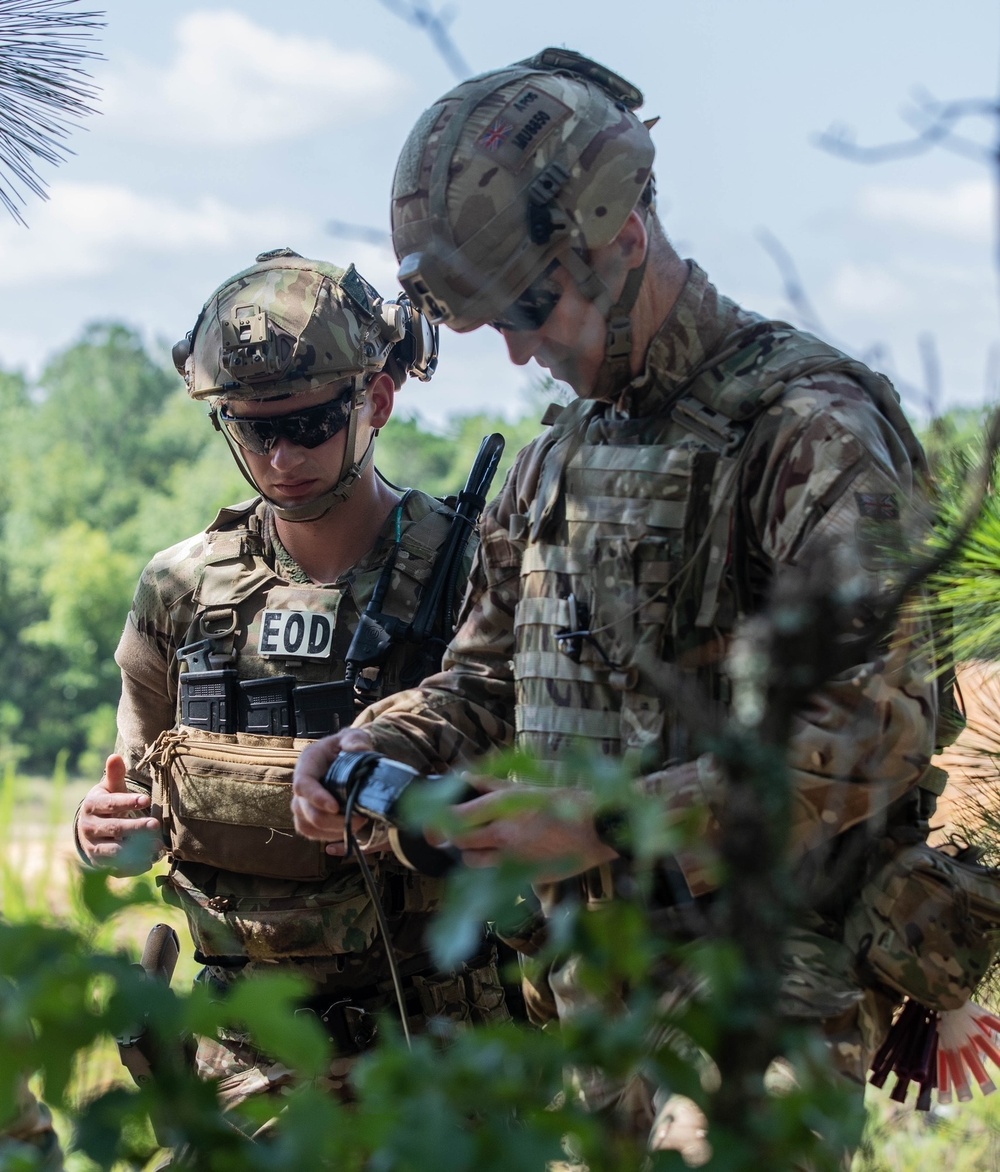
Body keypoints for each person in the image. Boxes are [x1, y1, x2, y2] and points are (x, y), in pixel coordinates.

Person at [290, 50, 950, 1153]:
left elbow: (868, 729)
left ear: (621, 237)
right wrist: (375, 742)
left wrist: (593, 822)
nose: (517, 348)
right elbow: (485, 675)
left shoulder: (807, 430)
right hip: (582, 996)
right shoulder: (557, 457)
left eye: (533, 307)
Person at [74, 249, 509, 1131]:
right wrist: (98, 830)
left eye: (310, 424)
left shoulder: (474, 570)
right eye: (250, 429)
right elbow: (137, 790)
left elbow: (546, 795)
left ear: (376, 402)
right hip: (246, 1061)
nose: (281, 457)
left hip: (444, 1051)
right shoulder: (181, 590)